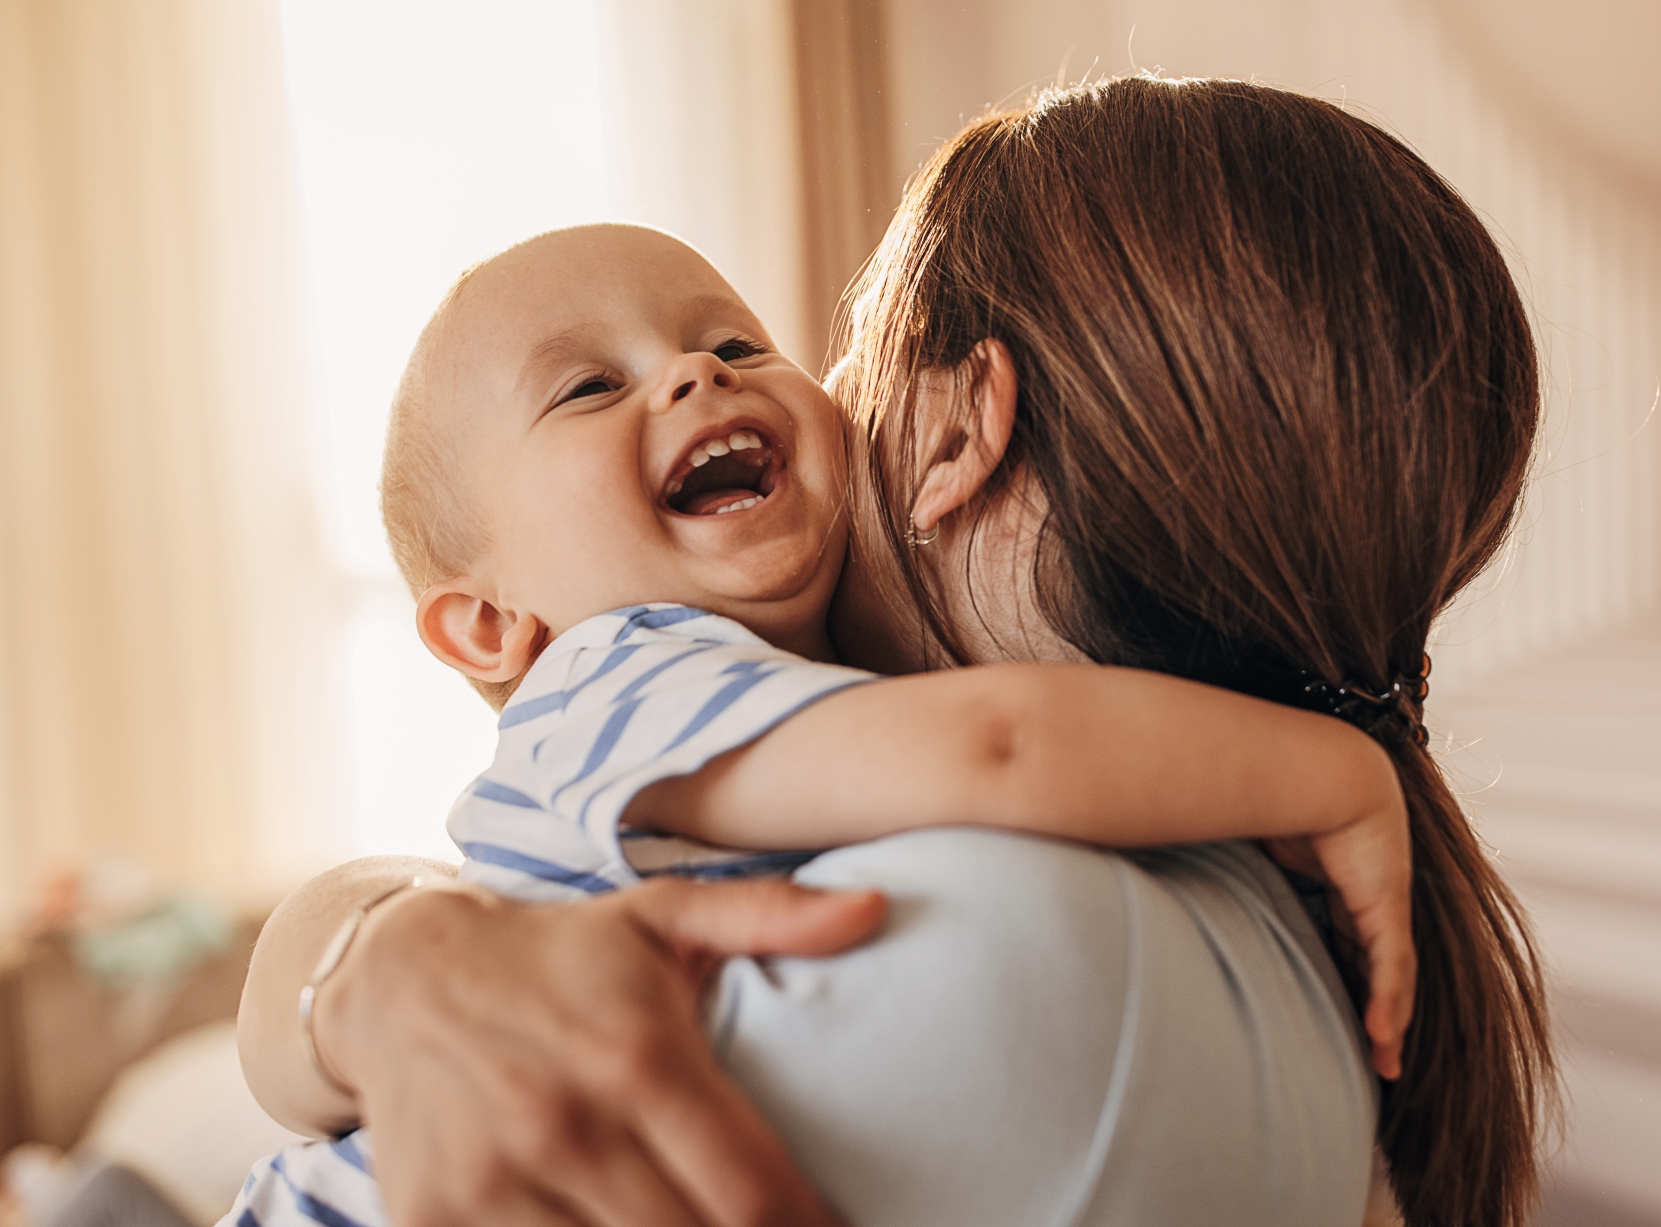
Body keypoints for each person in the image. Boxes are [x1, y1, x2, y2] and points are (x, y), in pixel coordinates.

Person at [236, 75, 1555, 1227]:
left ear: (954, 433)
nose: (701, 380)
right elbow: (999, 748)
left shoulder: (1031, 947)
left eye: (745, 345)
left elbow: (1005, 751)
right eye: (591, 387)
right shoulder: (627, 669)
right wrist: (370, 955)